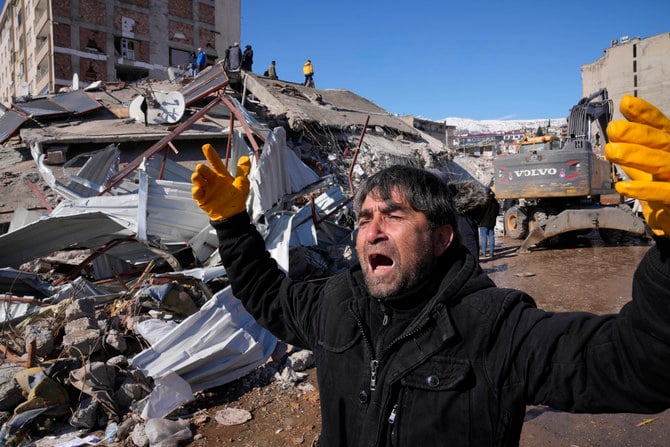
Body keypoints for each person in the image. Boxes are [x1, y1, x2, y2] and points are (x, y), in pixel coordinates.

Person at [191, 95, 670, 446]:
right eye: (363, 219)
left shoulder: (495, 326)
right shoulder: (335, 303)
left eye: (393, 215)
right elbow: (266, 296)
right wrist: (233, 225)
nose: (371, 231)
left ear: (442, 237)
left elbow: (638, 364)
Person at [478, 187, 500, 257]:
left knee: (484, 237)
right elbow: (497, 211)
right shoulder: (495, 201)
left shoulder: (483, 201)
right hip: (492, 222)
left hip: (483, 222)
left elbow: (480, 212)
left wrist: (478, 220)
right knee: (491, 236)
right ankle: (491, 252)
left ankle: (484, 252)